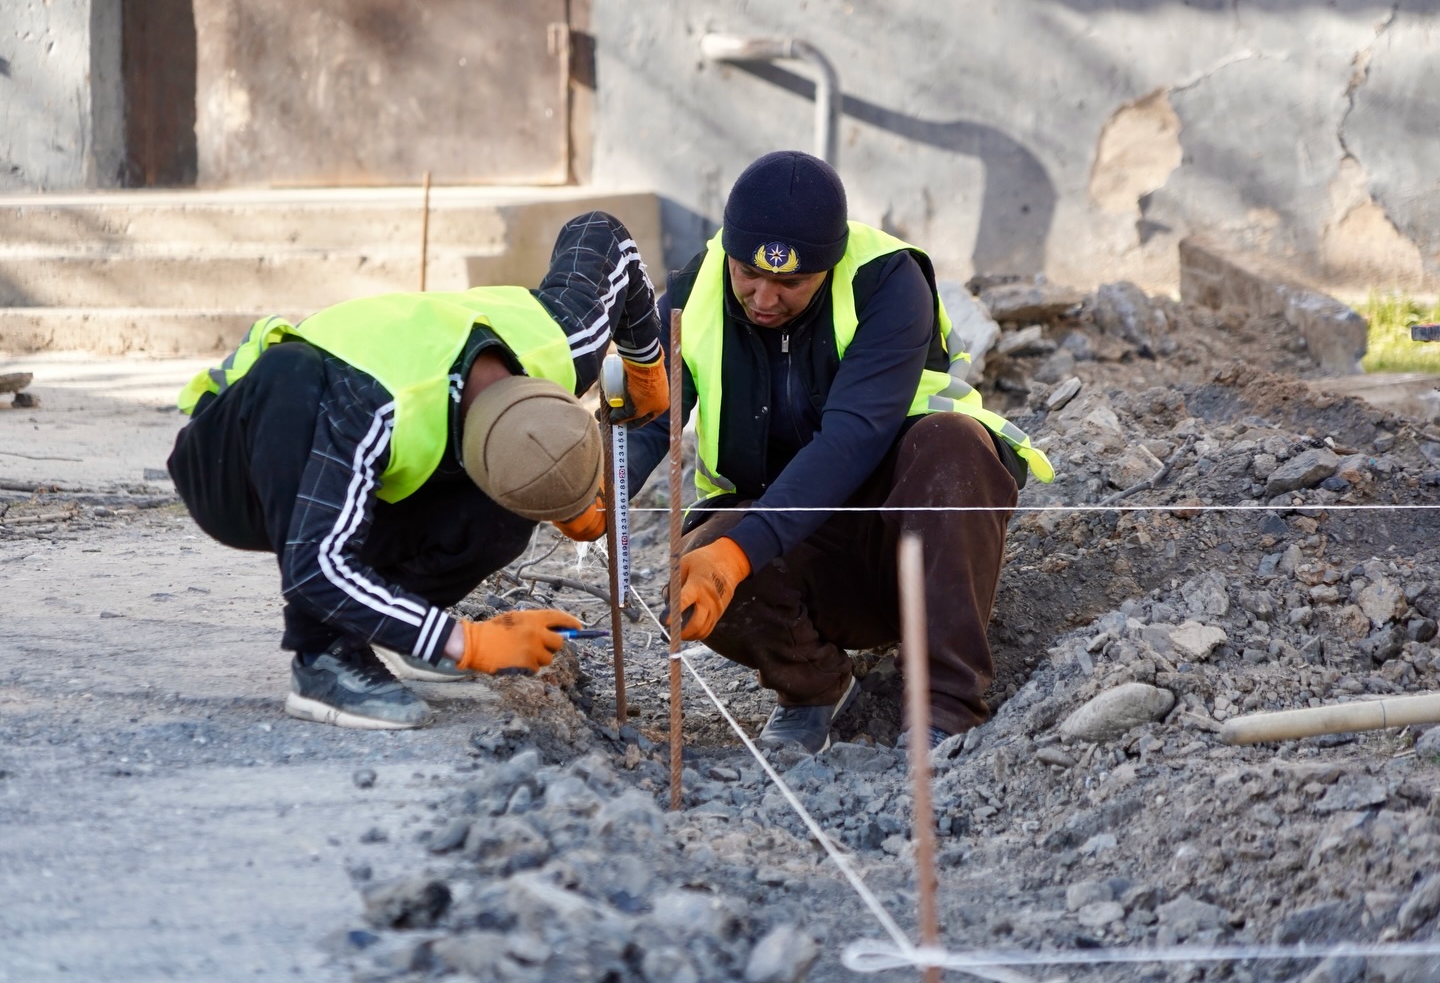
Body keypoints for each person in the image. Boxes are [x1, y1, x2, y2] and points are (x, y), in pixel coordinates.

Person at [166, 211, 667, 730]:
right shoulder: (372, 408)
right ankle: (325, 656)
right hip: (235, 461)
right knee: (292, 394)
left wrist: (644, 360)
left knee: (503, 516)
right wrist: (466, 642)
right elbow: (315, 567)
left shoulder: (564, 343)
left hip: (376, 434)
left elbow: (602, 235)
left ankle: (399, 619)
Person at [625, 151, 1054, 754]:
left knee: (953, 446)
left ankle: (945, 706)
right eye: (748, 274)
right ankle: (814, 686)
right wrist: (600, 486)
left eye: (790, 283)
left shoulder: (887, 282)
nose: (764, 297)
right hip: (795, 543)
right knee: (694, 567)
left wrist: (740, 551)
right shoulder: (694, 289)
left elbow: (851, 439)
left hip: (906, 537)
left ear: (827, 266)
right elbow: (652, 417)